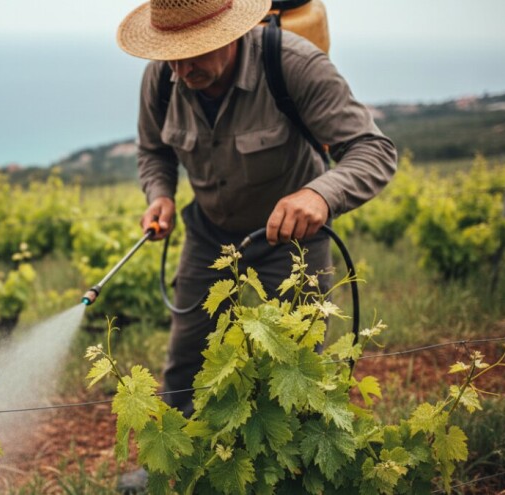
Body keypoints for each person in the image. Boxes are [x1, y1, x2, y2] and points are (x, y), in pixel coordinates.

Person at [114, 0, 397, 489]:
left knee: (298, 363)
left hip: (292, 240)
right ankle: (170, 465)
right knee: (188, 354)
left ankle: (298, 472)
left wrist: (319, 194)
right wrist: (159, 193)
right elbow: (154, 150)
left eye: (193, 53)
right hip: (206, 235)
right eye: (171, 55)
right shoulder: (164, 78)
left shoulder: (293, 64)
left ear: (231, 32)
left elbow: (374, 150)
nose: (180, 70)